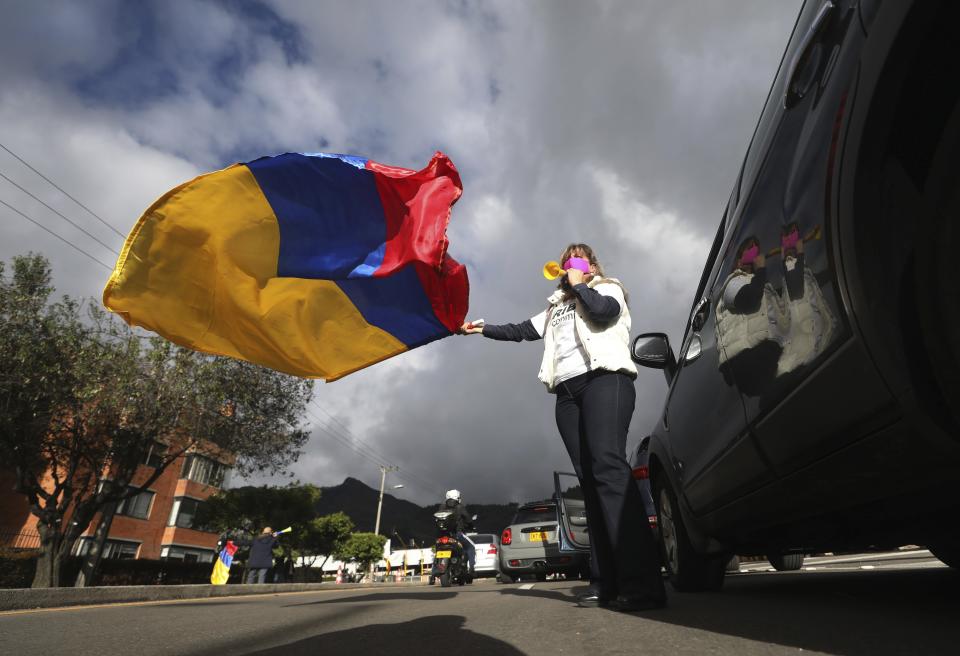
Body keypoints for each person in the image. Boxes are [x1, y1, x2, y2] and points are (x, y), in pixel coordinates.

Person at [460, 243, 666, 612]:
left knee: (609, 469)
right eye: (566, 256)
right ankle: (604, 583)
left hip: (605, 381)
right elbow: (524, 329)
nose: (569, 261)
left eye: (577, 256)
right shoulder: (557, 304)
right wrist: (484, 328)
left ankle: (642, 585)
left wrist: (581, 284)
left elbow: (605, 314)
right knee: (589, 482)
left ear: (590, 264)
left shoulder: (606, 287)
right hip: (567, 394)